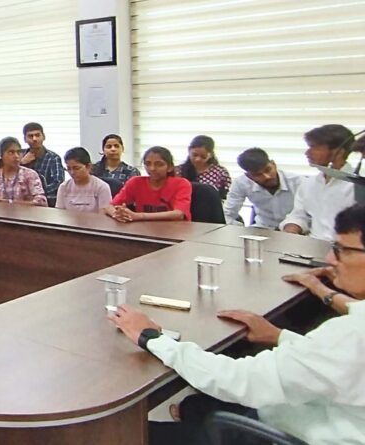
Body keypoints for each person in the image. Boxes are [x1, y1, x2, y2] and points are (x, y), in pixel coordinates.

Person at [110, 203, 365, 445]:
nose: (331, 258)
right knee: (196, 405)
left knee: (138, 435)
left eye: (344, 250)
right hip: (327, 413)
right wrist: (280, 336)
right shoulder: (350, 335)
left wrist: (153, 338)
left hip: (299, 434)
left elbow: (241, 380)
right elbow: (341, 361)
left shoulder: (350, 334)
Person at [280, 124, 356, 242]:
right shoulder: (309, 184)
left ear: (339, 152)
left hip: (345, 252)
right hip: (310, 248)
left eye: (314, 147)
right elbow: (299, 215)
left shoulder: (357, 186)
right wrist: (292, 229)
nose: (307, 153)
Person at [106, 146, 192, 222]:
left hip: (175, 233)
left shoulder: (181, 184)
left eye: (159, 164)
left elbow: (179, 214)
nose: (152, 168)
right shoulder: (135, 182)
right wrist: (117, 215)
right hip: (144, 231)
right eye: (148, 164)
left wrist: (138, 216)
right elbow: (109, 206)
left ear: (169, 167)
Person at [223, 148, 303, 228]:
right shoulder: (241, 183)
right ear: (249, 177)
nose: (267, 177)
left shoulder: (298, 182)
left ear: (274, 164)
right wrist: (241, 229)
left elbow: (308, 214)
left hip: (296, 230)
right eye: (258, 175)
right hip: (263, 229)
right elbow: (227, 214)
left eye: (268, 170)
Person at [20, 122, 64, 207]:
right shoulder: (19, 155)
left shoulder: (53, 158)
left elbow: (58, 183)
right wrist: (22, 163)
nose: (34, 139)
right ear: (25, 139)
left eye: (37, 135)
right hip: (20, 201)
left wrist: (36, 192)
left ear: (43, 137)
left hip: (45, 201)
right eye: (30, 136)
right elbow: (10, 176)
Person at [56, 147, 112, 212]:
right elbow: (59, 214)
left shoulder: (101, 187)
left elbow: (104, 215)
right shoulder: (64, 187)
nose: (72, 172)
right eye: (69, 168)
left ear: (88, 166)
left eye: (76, 168)